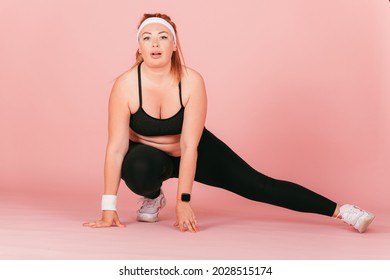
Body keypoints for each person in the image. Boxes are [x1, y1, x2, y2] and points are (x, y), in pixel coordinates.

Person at [83, 13, 375, 233]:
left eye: (162, 36)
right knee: (136, 165)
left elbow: (189, 145)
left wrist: (184, 200)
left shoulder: (192, 81)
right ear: (139, 48)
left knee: (259, 185)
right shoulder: (125, 85)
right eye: (147, 38)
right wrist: (108, 208)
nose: (155, 43)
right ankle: (153, 197)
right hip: (147, 157)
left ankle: (343, 211)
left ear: (174, 45)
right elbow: (116, 149)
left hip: (193, 150)